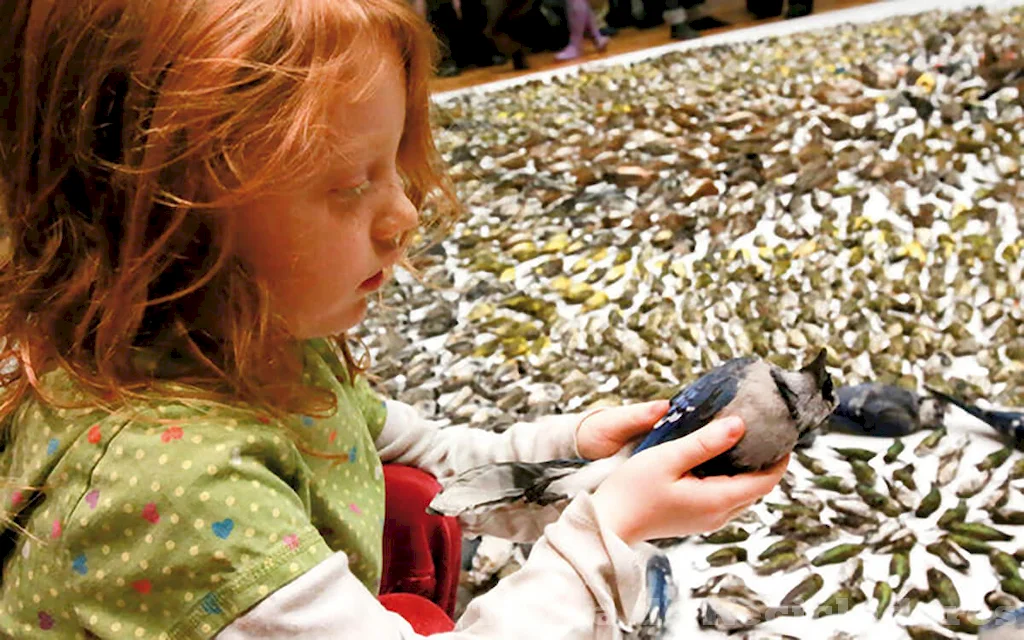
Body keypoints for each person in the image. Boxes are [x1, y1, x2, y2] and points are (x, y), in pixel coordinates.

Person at [0, 0, 788, 638]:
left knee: (410, 493)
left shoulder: (251, 341)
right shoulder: (178, 498)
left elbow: (438, 459)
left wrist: (579, 459)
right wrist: (607, 533)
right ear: (158, 221)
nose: (405, 216)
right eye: (349, 184)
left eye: (396, 167)